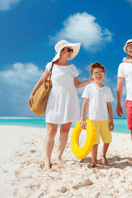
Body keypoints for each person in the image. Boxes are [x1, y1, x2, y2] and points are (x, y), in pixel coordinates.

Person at [28, 40, 93, 170]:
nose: (70, 52)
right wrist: (32, 94)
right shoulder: (51, 66)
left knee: (64, 131)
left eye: (71, 50)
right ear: (61, 51)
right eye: (68, 50)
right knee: (51, 131)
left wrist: (89, 80)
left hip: (70, 100)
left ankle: (58, 157)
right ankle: (47, 161)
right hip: (54, 101)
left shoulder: (72, 68)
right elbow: (41, 80)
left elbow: (76, 85)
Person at [80, 62, 114, 168]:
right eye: (96, 73)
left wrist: (111, 120)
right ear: (92, 75)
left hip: (104, 119)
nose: (98, 75)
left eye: (101, 72)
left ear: (104, 74)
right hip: (92, 120)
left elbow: (109, 106)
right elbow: (85, 104)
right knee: (94, 142)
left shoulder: (107, 89)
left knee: (107, 140)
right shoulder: (89, 88)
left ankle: (103, 155)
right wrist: (82, 119)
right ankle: (94, 161)